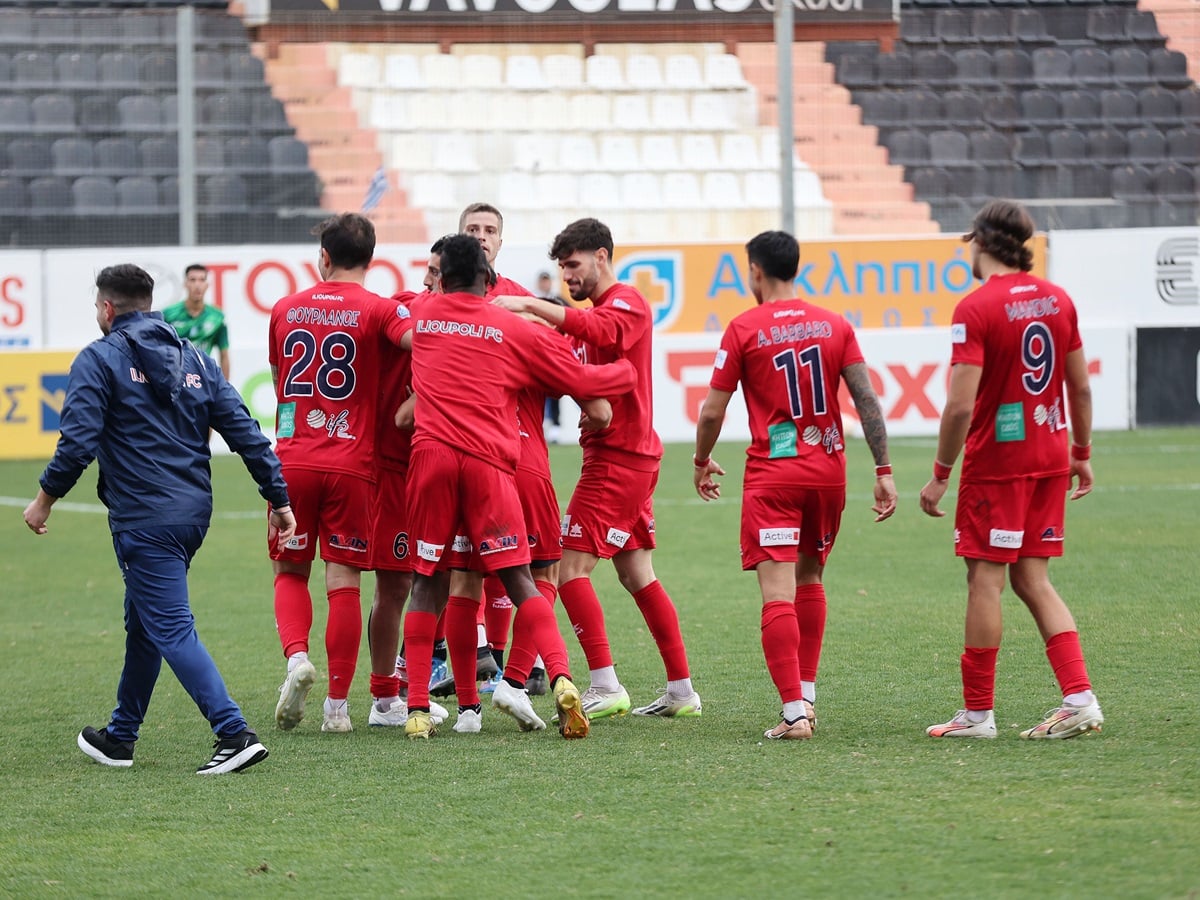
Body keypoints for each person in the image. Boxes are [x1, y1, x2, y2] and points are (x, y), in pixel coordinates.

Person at [23, 264, 295, 775]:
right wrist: (278, 499)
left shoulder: (98, 358)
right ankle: (120, 737)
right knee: (145, 623)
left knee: (169, 627)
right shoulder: (194, 358)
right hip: (192, 516)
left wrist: (43, 500)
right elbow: (246, 431)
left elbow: (77, 442)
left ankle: (234, 733)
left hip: (145, 518)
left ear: (107, 308)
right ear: (150, 305)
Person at [400, 234, 637, 740]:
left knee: (427, 581)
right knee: (522, 579)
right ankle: (561, 677)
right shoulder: (509, 327)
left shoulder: (422, 317)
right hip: (489, 464)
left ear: (441, 278)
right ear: (488, 277)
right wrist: (626, 371)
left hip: (432, 459)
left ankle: (417, 709)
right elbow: (585, 385)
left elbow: (394, 319)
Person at [691, 231, 897, 740]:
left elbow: (712, 410)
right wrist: (884, 470)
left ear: (756, 271)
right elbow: (866, 400)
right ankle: (806, 694)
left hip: (774, 477)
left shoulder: (744, 328)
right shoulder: (834, 324)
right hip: (828, 473)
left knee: (777, 592)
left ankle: (792, 714)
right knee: (810, 578)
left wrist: (700, 459)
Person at [494, 217, 701, 720]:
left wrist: (529, 305)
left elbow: (599, 330)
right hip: (622, 456)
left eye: (573, 265)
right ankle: (681, 691)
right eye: (562, 268)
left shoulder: (626, 303)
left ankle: (605, 684)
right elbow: (578, 367)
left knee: (566, 569)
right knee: (638, 574)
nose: (567, 276)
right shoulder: (590, 319)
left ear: (601, 256)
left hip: (619, 461)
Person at [919, 199, 1103, 741]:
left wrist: (940, 473)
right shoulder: (1058, 299)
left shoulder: (976, 308)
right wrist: (1081, 452)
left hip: (999, 464)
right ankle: (1080, 698)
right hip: (1050, 455)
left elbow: (960, 406)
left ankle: (978, 715)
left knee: (985, 579)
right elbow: (1080, 386)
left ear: (980, 242)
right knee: (1032, 577)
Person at [268, 213, 415, 734]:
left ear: (324, 257)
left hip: (292, 460)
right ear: (371, 259)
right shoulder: (381, 309)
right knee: (344, 581)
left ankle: (296, 658)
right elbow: (421, 343)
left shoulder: (285, 308)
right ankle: (336, 708)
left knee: (290, 571)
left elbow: (281, 382)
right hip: (353, 464)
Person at [163, 264, 231, 380]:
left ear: (207, 285)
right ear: (185, 284)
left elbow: (224, 354)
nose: (197, 285)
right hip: (175, 379)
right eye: (193, 280)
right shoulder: (168, 315)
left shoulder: (217, 317)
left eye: (202, 280)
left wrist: (225, 385)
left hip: (203, 379)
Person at [535, 271, 569, 445]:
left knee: (557, 391)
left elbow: (573, 320)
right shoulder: (532, 300)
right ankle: (542, 426)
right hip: (539, 354)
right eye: (542, 281)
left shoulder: (559, 301)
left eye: (547, 281)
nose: (545, 284)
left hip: (557, 352)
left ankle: (555, 426)